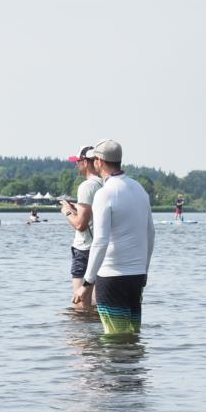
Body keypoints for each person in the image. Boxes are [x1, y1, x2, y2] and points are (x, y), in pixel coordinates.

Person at [74, 139, 155, 335]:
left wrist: (86, 284)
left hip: (112, 278)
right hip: (136, 277)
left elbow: (100, 242)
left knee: (114, 339)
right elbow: (150, 234)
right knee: (132, 337)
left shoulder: (105, 193)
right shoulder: (139, 189)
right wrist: (144, 272)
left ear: (99, 161)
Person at [61, 144, 104, 309]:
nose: (76, 165)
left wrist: (66, 211)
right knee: (95, 303)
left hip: (85, 249)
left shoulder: (86, 186)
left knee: (80, 304)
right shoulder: (105, 183)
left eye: (77, 161)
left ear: (85, 162)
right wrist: (77, 209)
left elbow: (81, 225)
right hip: (102, 247)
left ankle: (81, 334)